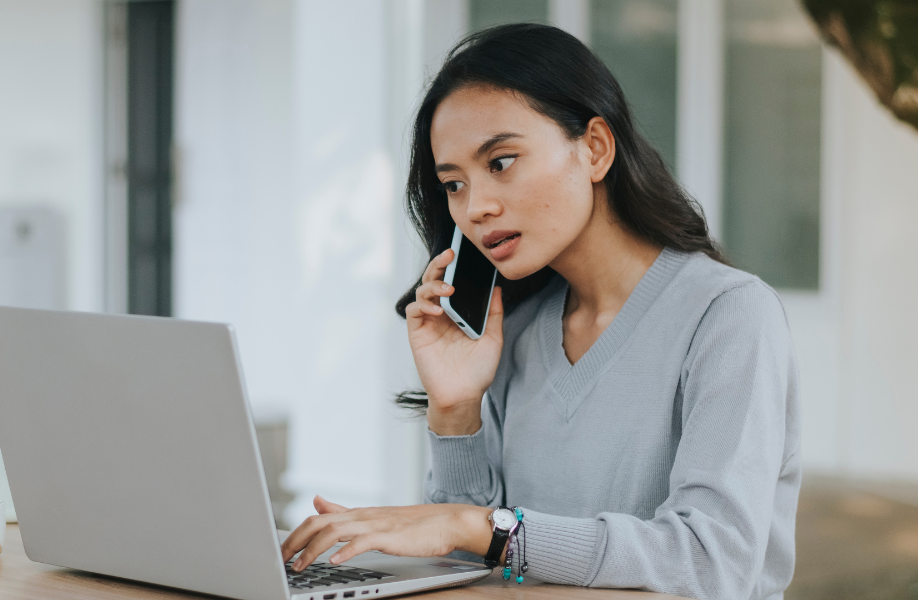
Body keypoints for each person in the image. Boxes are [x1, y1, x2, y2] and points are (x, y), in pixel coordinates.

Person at [279, 23, 799, 600]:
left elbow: (711, 563)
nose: (476, 207)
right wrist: (455, 410)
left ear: (595, 148)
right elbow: (466, 562)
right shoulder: (515, 332)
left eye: (501, 162)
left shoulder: (729, 316)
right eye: (453, 184)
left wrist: (481, 528)